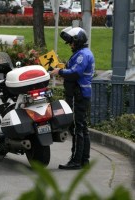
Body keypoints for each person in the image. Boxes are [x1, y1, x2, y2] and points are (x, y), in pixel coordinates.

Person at [50, 27, 95, 170]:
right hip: (80, 94)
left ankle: (76, 161)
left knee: (76, 128)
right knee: (82, 127)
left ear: (77, 41)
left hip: (78, 94)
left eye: (71, 42)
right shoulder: (82, 53)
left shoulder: (82, 55)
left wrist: (60, 71)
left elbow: (76, 73)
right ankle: (84, 160)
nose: (70, 45)